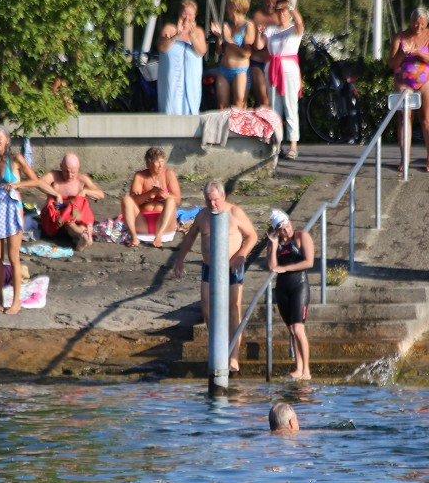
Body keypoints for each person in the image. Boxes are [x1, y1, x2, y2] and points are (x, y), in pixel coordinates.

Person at [173, 180, 259, 374]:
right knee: (207, 307)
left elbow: (252, 236)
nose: (212, 204)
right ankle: (218, 349)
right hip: (210, 267)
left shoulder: (235, 213)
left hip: (232, 266)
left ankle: (234, 357)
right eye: (208, 200)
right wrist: (180, 260)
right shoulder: (203, 216)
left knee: (233, 307)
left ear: (223, 197)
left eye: (215, 200)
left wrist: (241, 254)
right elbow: (190, 237)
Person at [0, 125, 39, 314]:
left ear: (7, 139)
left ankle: (16, 302)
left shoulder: (16, 159)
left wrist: (17, 184)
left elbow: (35, 180)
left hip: (13, 210)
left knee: (13, 257)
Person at [388, 6, 429, 172]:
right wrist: (403, 54)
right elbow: (392, 63)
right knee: (405, 119)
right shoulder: (401, 36)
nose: (419, 27)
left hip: (427, 79)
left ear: (427, 23)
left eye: (422, 24)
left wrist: (418, 52)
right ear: (411, 22)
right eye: (416, 24)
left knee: (427, 118)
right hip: (404, 80)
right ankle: (405, 158)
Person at [266, 210, 315, 380]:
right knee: (292, 331)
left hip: (299, 286)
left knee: (299, 329)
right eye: (282, 227)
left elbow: (309, 262)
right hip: (282, 289)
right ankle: (298, 368)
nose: (286, 229)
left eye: (287, 224)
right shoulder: (275, 242)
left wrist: (285, 268)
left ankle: (306, 371)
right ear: (277, 230)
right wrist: (272, 246)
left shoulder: (301, 236)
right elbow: (272, 267)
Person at [31, 153, 106, 251]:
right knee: (69, 221)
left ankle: (83, 237)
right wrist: (56, 194)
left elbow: (101, 194)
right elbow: (39, 183)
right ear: (61, 166)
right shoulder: (54, 176)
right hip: (58, 220)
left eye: (73, 172)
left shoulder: (82, 179)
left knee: (78, 219)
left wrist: (85, 191)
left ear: (78, 168)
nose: (70, 175)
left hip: (76, 216)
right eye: (66, 171)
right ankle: (83, 235)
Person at [261, 0, 305, 160]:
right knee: (274, 108)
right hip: (272, 68)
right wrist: (259, 33)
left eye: (284, 11)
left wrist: (291, 8)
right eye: (279, 11)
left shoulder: (294, 29)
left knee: (290, 106)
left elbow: (300, 23)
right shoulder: (271, 29)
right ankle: (276, 144)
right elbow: (260, 45)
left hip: (288, 69)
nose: (281, 14)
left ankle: (293, 144)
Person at [121, 146, 182, 248]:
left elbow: (178, 200)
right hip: (142, 222)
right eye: (157, 162)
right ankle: (134, 237)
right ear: (148, 163)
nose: (161, 165)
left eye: (162, 161)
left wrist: (163, 194)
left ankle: (159, 236)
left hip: (164, 224)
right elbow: (133, 201)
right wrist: (150, 193)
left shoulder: (169, 174)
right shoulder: (140, 176)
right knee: (126, 199)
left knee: (171, 201)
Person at [157, 0, 207, 115]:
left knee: (191, 111)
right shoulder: (169, 28)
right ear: (180, 13)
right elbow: (161, 47)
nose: (187, 17)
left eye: (190, 14)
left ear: (195, 16)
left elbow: (201, 51)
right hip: (172, 82)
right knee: (170, 108)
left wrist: (192, 36)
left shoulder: (198, 32)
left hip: (191, 82)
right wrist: (176, 35)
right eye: (185, 13)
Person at [209, 0, 257, 110]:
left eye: (228, 6)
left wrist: (229, 39)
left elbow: (246, 53)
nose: (226, 8)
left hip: (240, 71)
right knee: (221, 106)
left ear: (235, 8)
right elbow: (220, 51)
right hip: (224, 69)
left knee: (239, 104)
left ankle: (239, 128)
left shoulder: (248, 25)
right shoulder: (227, 25)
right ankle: (224, 128)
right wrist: (220, 37)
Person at [249, 0, 281, 107]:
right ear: (263, 1)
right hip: (257, 62)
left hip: (274, 64)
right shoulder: (257, 16)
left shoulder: (280, 17)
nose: (270, 5)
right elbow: (251, 41)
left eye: (274, 2)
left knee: (273, 101)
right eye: (268, 1)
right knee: (263, 100)